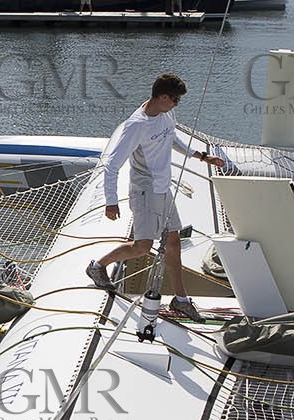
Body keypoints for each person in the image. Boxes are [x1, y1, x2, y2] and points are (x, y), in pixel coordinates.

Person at [85, 73, 225, 318]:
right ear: (162, 97)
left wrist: (202, 157)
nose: (177, 104)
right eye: (174, 99)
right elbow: (112, 164)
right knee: (143, 246)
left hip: (163, 188)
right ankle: (98, 267)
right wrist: (111, 202)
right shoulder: (136, 125)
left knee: (173, 242)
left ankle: (181, 300)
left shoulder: (166, 114)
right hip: (145, 190)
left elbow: (173, 138)